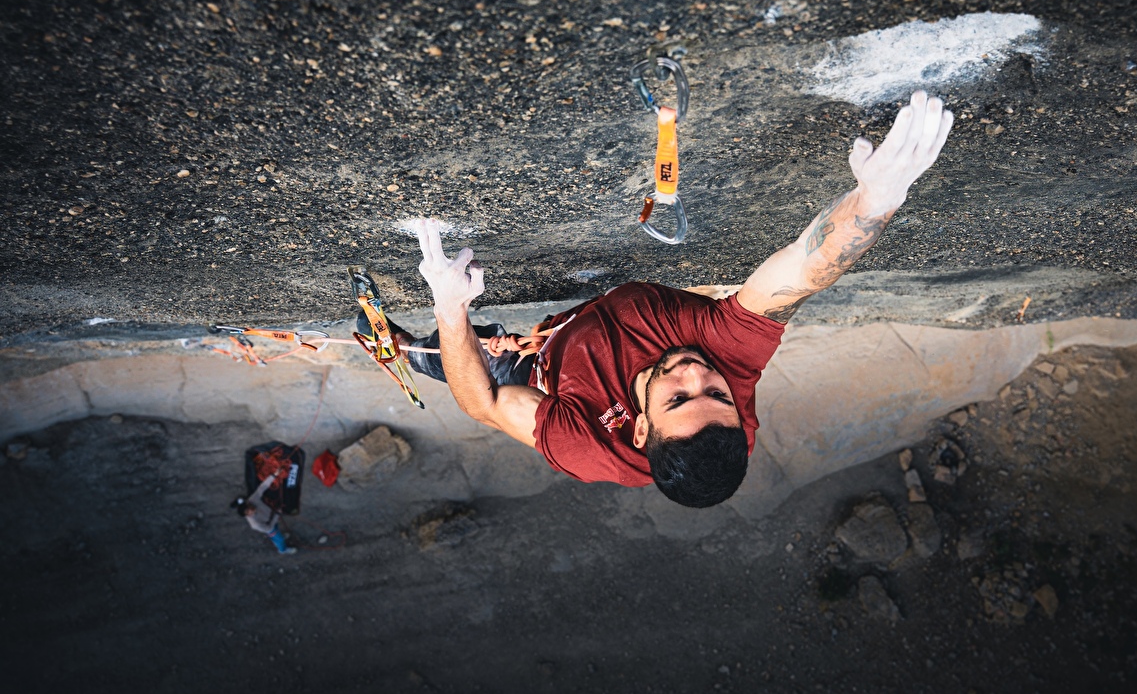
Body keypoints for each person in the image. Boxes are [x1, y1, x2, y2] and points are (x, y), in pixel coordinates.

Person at [384, 90, 953, 508]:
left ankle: (407, 351)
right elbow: (803, 272)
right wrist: (876, 201)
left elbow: (485, 404)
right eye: (716, 394)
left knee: (459, 353)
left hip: (537, 368)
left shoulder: (588, 447)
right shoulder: (729, 367)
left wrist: (450, 307)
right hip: (583, 327)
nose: (695, 373)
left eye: (678, 399)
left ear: (638, 430)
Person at [232, 473, 298, 554]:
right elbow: (269, 528)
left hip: (272, 517)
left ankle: (278, 537)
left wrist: (273, 476)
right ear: (247, 515)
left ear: (248, 504)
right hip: (270, 525)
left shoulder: (252, 500)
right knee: (279, 539)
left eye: (249, 507)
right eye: (248, 511)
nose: (251, 509)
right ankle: (282, 550)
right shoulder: (255, 524)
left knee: (277, 530)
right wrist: (276, 515)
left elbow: (262, 487)